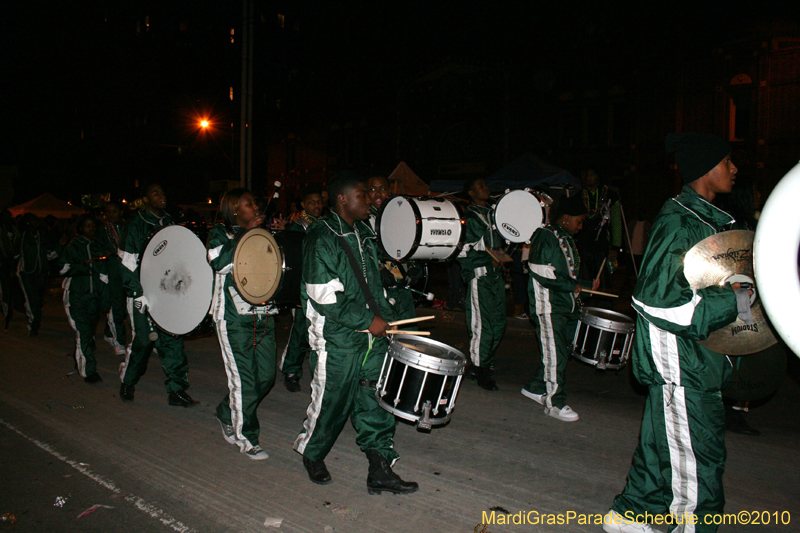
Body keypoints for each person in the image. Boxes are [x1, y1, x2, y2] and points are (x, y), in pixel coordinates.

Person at [603, 133, 746, 533]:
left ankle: (633, 514)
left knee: (663, 443)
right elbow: (657, 301)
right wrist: (733, 301)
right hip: (684, 361)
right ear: (705, 167)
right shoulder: (679, 221)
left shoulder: (704, 220)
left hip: (695, 358)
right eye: (727, 161)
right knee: (697, 462)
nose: (734, 169)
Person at [293, 172, 418, 495]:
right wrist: (367, 320)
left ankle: (380, 467)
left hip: (371, 337)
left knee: (376, 399)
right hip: (337, 338)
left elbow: (373, 285)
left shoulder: (363, 233)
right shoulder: (320, 238)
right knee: (332, 404)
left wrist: (387, 321)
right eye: (363, 195)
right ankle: (313, 453)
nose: (370, 200)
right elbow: (324, 297)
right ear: (343, 200)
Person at [207, 189, 278, 460]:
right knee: (245, 381)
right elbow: (219, 263)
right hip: (233, 319)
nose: (256, 206)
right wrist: (245, 232)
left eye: (255, 202)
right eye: (249, 203)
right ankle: (246, 436)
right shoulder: (219, 234)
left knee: (266, 378)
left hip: (263, 316)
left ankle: (226, 411)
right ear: (235, 210)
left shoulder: (262, 232)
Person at [521, 194, 599, 422]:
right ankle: (555, 403)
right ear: (566, 218)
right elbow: (542, 271)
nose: (581, 226)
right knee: (555, 355)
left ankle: (536, 387)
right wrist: (573, 286)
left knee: (559, 352)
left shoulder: (563, 236)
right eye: (579, 221)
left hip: (564, 305)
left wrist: (585, 285)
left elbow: (565, 275)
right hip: (548, 307)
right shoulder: (545, 236)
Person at [117, 183, 196, 407]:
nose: (162, 196)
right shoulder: (136, 224)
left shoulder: (168, 221)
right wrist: (137, 292)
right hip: (142, 293)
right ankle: (128, 381)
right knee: (143, 342)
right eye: (155, 193)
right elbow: (126, 261)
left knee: (172, 340)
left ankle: (177, 390)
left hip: (166, 291)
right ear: (145, 199)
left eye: (162, 192)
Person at [456, 177, 507, 391]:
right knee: (482, 326)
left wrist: (502, 258)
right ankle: (479, 369)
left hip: (495, 278)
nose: (485, 188)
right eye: (479, 186)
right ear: (470, 193)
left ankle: (484, 360)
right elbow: (461, 251)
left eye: (485, 184)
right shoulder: (470, 218)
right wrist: (488, 260)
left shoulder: (494, 214)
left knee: (499, 324)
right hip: (480, 277)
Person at [279, 185, 324, 392]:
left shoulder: (325, 223)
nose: (317, 205)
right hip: (302, 286)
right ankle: (291, 370)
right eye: (312, 202)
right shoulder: (299, 225)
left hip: (321, 284)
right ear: (303, 205)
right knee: (299, 329)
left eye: (319, 201)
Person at [59, 214, 110, 383]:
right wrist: (82, 266)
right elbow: (62, 269)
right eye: (87, 226)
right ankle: (88, 371)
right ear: (80, 228)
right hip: (76, 296)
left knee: (89, 333)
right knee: (84, 333)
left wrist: (104, 298)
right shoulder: (73, 247)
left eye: (93, 225)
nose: (91, 228)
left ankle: (80, 359)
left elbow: (104, 275)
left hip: (93, 297)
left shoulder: (98, 246)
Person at [366, 175, 418, 327]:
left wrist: (415, 267)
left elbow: (410, 245)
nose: (378, 194)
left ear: (388, 191)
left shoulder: (400, 216)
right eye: (372, 189)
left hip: (402, 285)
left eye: (382, 189)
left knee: (408, 333)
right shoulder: (363, 219)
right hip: (378, 289)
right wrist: (379, 269)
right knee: (386, 333)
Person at [576, 169, 623, 289]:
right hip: (584, 247)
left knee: (603, 282)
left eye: (591, 174)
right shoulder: (579, 196)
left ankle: (603, 306)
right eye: (586, 174)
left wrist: (615, 247)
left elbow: (616, 222)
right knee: (585, 282)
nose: (588, 177)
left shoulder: (610, 196)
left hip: (603, 248)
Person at [15, 213, 58, 336]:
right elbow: (16, 256)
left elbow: (51, 254)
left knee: (38, 300)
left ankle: (34, 318)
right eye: (33, 220)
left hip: (42, 273)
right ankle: (33, 324)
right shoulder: (21, 238)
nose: (37, 221)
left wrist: (59, 246)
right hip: (26, 273)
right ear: (28, 223)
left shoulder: (43, 236)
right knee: (31, 299)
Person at [97, 202, 127, 356]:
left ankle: (109, 333)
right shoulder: (102, 229)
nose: (111, 214)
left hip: (127, 269)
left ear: (121, 211)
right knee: (115, 305)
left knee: (126, 307)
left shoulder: (127, 227)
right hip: (112, 269)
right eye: (108, 211)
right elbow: (98, 249)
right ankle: (119, 340)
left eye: (114, 210)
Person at [1, 209, 19, 331]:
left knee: (8, 289)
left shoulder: (14, 229)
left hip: (11, 262)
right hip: (2, 262)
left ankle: (8, 310)